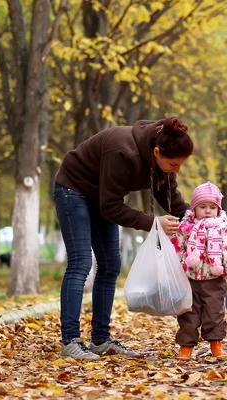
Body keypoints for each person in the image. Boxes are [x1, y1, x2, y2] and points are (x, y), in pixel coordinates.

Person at [54, 117, 193, 360]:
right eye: (173, 164)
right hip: (73, 190)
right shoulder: (123, 151)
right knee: (81, 262)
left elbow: (169, 195)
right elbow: (110, 207)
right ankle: (70, 340)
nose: (177, 169)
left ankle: (100, 339)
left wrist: (197, 218)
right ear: (157, 152)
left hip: (101, 196)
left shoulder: (161, 158)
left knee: (110, 265)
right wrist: (152, 223)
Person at [170, 181, 227, 361]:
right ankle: (186, 347)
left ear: (219, 209)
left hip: (213, 279)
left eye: (212, 207)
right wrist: (174, 271)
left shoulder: (223, 228)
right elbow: (177, 248)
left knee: (215, 313)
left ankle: (216, 344)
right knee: (188, 314)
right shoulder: (185, 227)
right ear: (194, 209)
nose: (208, 211)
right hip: (189, 279)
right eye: (203, 207)